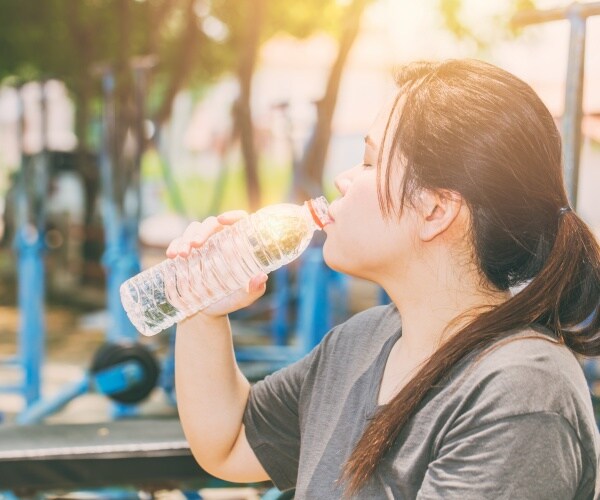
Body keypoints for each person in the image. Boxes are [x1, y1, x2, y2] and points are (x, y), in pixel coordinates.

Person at [169, 59, 600, 499]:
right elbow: (229, 444)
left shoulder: (519, 391)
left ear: (435, 211)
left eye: (370, 161)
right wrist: (202, 310)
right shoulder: (360, 342)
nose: (342, 179)